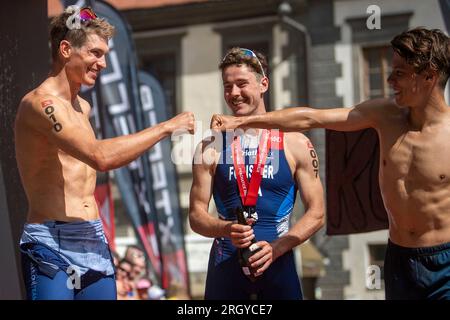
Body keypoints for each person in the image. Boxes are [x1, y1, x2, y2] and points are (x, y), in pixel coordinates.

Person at [211, 27, 450, 300]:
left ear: (429, 76)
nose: (389, 79)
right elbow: (311, 118)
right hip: (399, 259)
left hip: (445, 261)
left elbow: (316, 214)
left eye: (400, 73)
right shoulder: (384, 115)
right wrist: (241, 122)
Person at [15, 6, 194, 300]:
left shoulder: (83, 107)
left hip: (93, 238)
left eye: (105, 54)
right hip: (51, 242)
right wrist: (164, 128)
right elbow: (100, 157)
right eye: (95, 53)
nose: (104, 63)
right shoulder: (40, 104)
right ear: (65, 49)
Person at [189, 47, 325, 300]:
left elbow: (317, 213)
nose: (234, 94)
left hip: (279, 266)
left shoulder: (295, 142)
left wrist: (278, 247)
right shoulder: (209, 146)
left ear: (264, 84)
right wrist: (226, 228)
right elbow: (196, 216)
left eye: (242, 84)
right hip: (226, 268)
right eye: (227, 86)